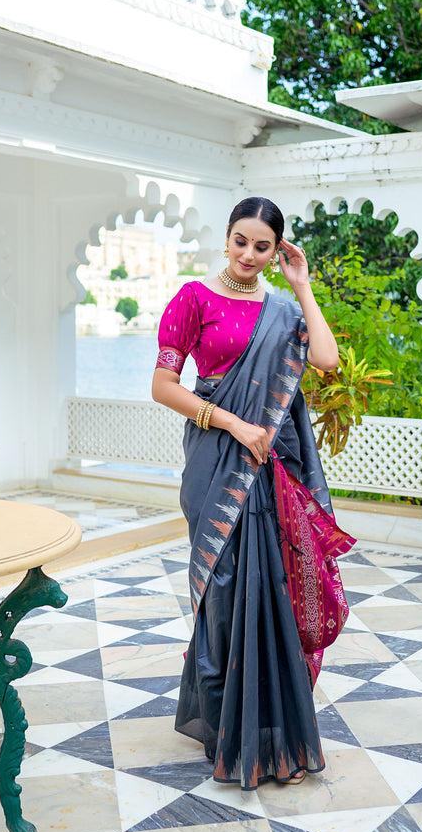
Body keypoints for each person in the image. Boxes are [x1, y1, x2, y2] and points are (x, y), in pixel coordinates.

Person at [152, 196, 354, 789]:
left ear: (275, 252)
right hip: (217, 457)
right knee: (222, 595)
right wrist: (234, 423)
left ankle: (267, 731)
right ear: (226, 238)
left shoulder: (282, 307)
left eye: (262, 246)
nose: (248, 254)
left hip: (268, 468)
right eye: (241, 241)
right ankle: (225, 731)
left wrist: (303, 285)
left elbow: (326, 359)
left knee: (269, 592)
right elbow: (164, 386)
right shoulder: (193, 299)